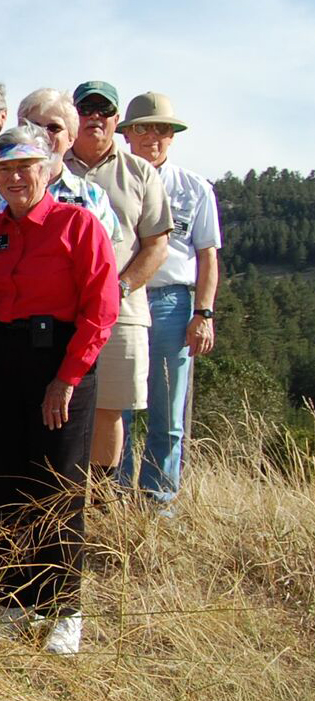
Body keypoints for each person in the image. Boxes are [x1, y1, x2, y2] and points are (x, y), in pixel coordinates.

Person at [0, 124, 118, 656]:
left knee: (56, 484)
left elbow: (101, 310)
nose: (14, 177)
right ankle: (15, 601)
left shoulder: (77, 224)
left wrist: (68, 377)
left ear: (49, 168)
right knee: (3, 481)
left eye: (24, 167)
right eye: (3, 169)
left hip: (58, 361)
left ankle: (63, 609)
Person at [63, 80, 172, 497]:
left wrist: (119, 289)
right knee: (60, 405)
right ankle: (62, 500)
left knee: (109, 409)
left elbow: (157, 246)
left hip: (121, 313)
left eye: (104, 111)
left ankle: (102, 502)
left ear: (116, 120)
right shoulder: (52, 166)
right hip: (59, 310)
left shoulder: (140, 173)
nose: (95, 117)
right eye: (86, 109)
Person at [118, 92, 220, 508]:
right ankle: (116, 495)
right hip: (123, 300)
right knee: (116, 406)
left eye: (162, 128)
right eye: (143, 127)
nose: (153, 136)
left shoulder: (195, 189)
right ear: (127, 135)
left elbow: (207, 255)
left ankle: (159, 500)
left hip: (172, 303)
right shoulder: (113, 183)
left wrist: (203, 314)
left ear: (172, 136)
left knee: (167, 412)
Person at [0, 89, 120, 238]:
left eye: (54, 127)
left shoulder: (92, 196)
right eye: (34, 126)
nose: (43, 134)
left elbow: (101, 255)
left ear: (71, 138)